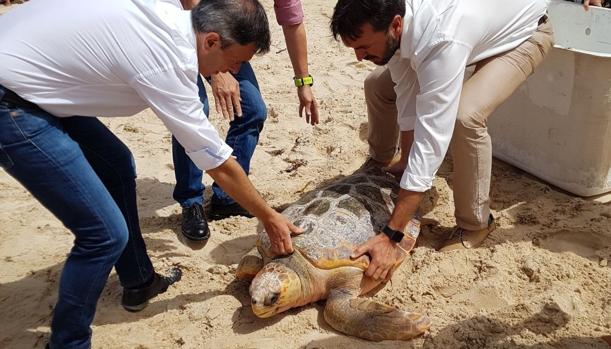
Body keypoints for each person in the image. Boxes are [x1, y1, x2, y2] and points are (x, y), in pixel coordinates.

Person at [0, 0, 301, 347]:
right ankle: (68, 343)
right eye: (236, 62)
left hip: (33, 76)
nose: (233, 71)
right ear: (212, 41)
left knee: (116, 163)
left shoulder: (168, 18)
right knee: (103, 235)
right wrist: (268, 216)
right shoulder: (167, 61)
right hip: (11, 100)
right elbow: (214, 160)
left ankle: (138, 279)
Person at [330, 0, 554, 280]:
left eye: (363, 46)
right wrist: (406, 160)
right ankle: (380, 161)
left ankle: (476, 223)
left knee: (465, 117)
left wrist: (391, 235)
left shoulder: (441, 39)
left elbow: (432, 139)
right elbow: (408, 93)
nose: (359, 57)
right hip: (473, 29)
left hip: (524, 34)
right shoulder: (398, 21)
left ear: (396, 25)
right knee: (377, 84)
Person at [175, 0, 318, 242]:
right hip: (184, 26)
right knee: (193, 111)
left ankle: (227, 198)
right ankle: (191, 202)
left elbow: (292, 21)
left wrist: (303, 83)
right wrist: (217, 71)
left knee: (252, 108)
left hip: (226, 35)